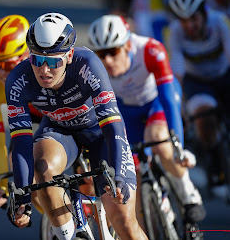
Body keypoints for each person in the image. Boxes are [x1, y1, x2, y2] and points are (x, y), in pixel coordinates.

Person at [5, 12, 148, 240]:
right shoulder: (18, 80)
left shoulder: (88, 65)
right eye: (37, 59)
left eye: (53, 61)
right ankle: (67, 235)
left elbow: (113, 125)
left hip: (100, 133)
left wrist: (119, 173)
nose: (44, 70)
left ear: (70, 55)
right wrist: (22, 196)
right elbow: (21, 141)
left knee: (124, 224)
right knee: (42, 167)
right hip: (59, 133)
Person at [88, 14, 206, 224]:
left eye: (112, 51)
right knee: (133, 178)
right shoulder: (94, 68)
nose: (107, 60)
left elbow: (168, 99)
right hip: (127, 111)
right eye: (101, 54)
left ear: (127, 45)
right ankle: (158, 212)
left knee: (157, 137)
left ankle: (188, 193)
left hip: (156, 102)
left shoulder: (150, 50)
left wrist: (178, 145)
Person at [0, 14, 42, 210]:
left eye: (7, 64)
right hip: (29, 117)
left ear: (27, 54)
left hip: (60, 114)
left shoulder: (44, 70)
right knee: (20, 164)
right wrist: (3, 187)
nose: (1, 73)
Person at [168, 0, 230, 186]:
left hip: (225, 75)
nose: (189, 26)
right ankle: (216, 160)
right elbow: (177, 76)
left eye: (193, 18)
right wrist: (180, 109)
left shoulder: (219, 22)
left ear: (204, 13)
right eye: (183, 20)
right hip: (198, 82)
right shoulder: (175, 32)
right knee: (203, 119)